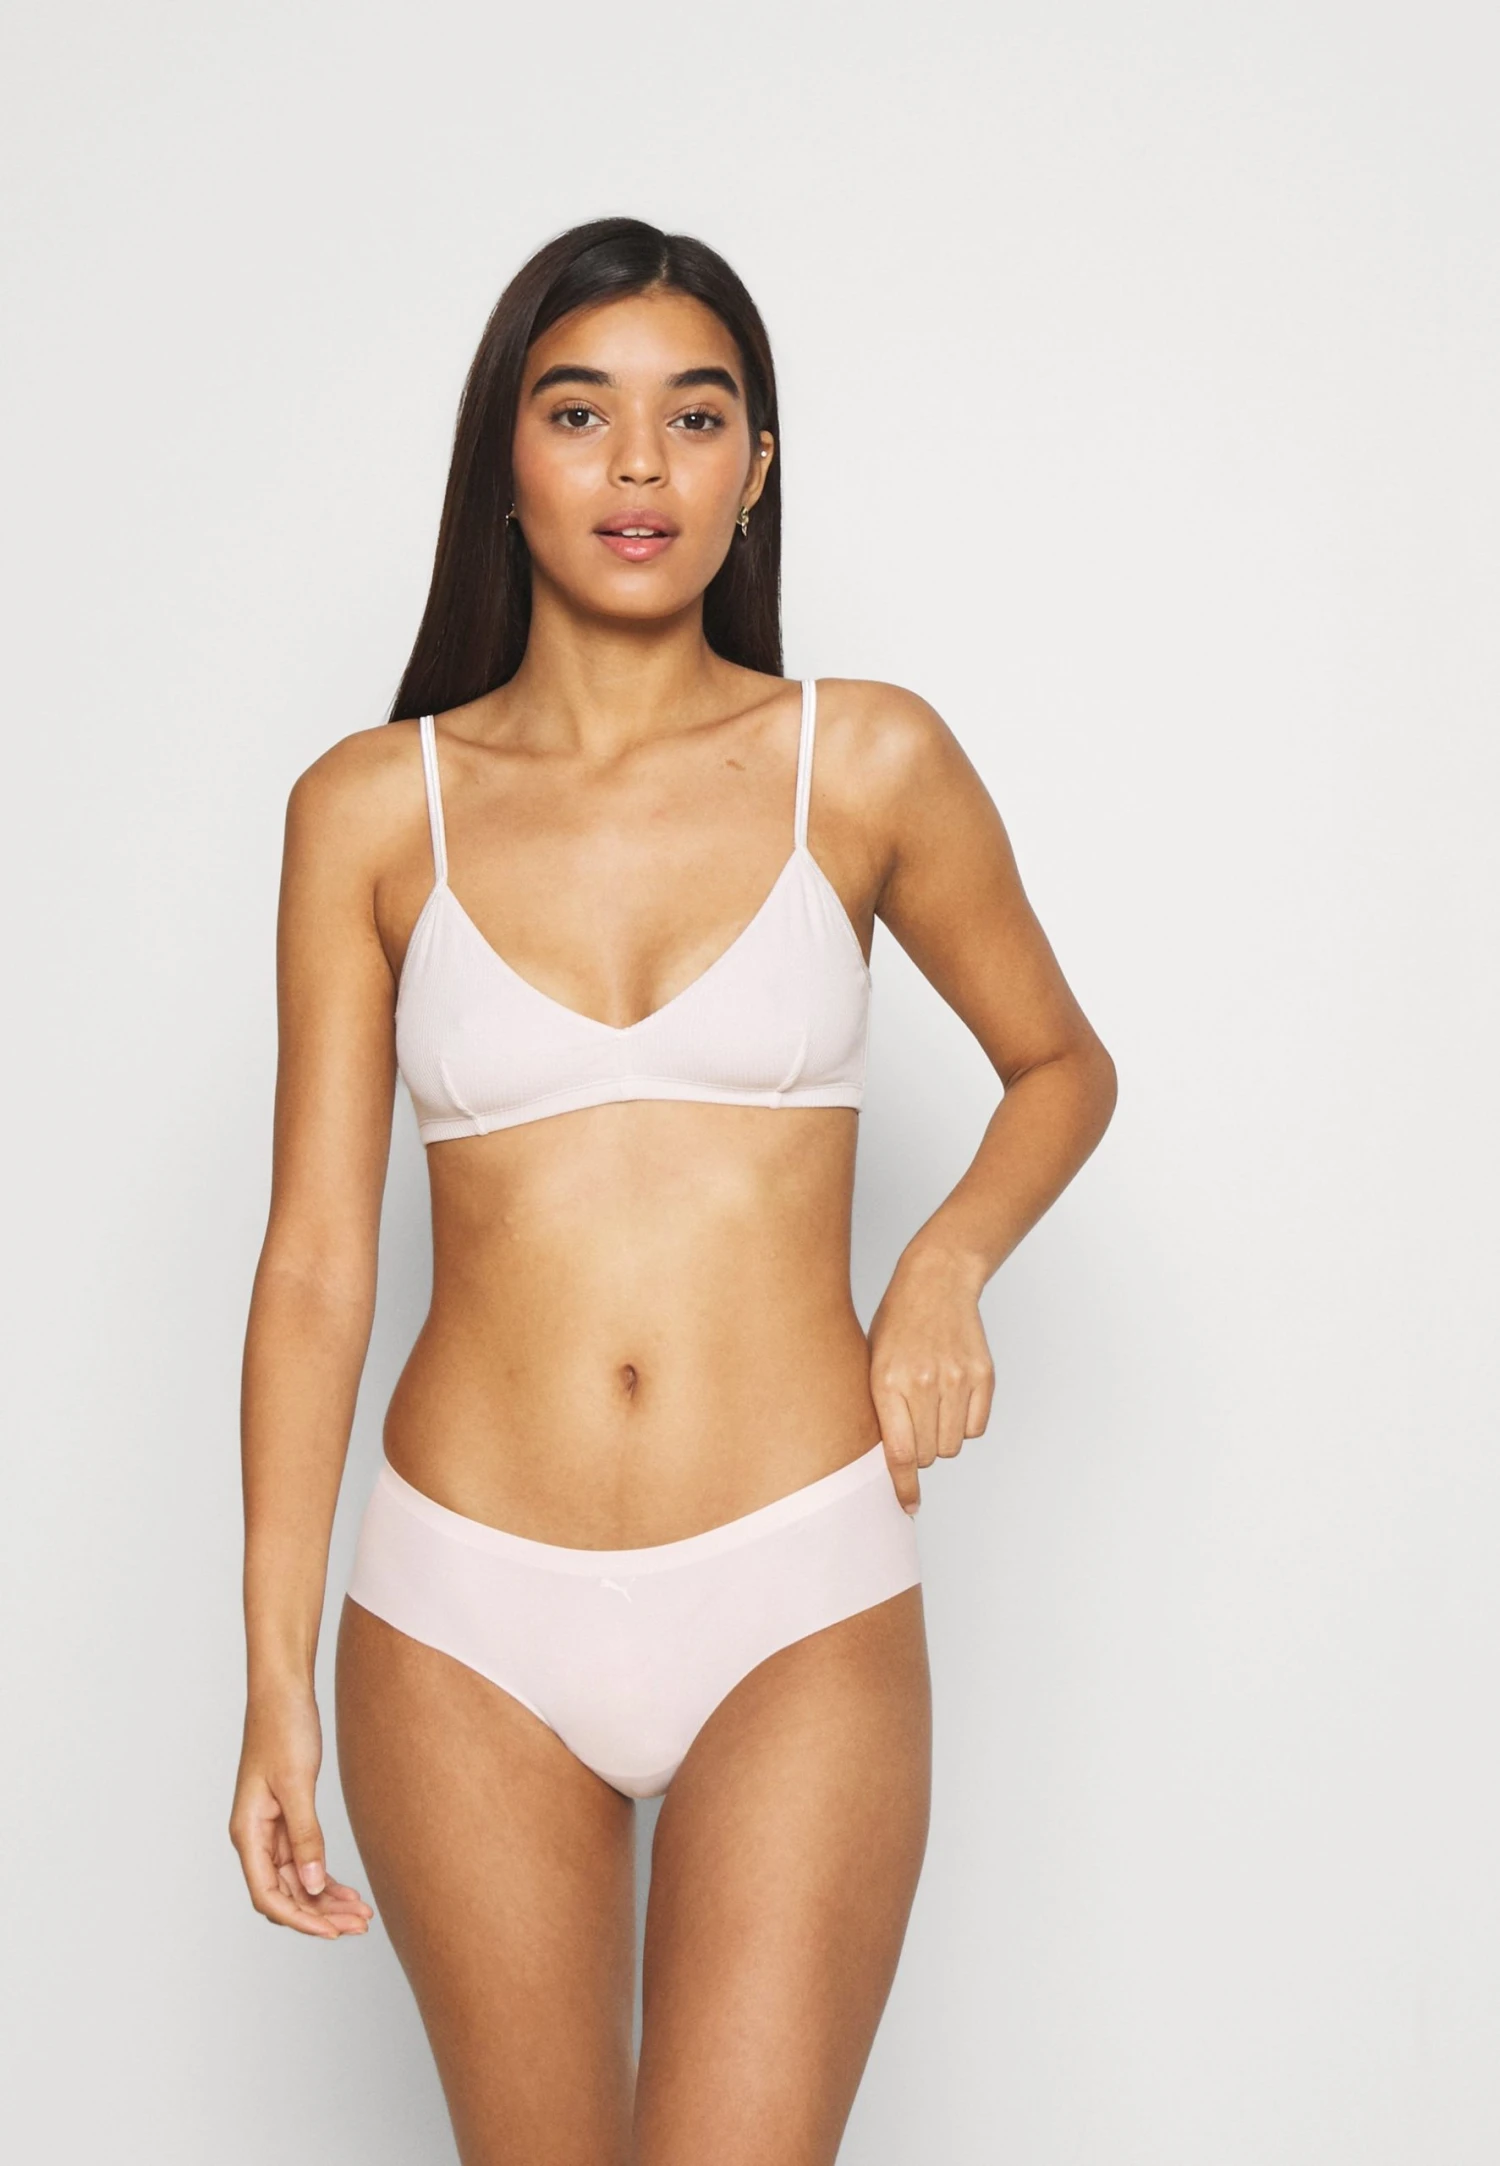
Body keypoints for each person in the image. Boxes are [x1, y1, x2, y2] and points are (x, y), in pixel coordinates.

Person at [229, 216, 1117, 2166]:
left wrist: (947, 1263)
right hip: (460, 1613)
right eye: (581, 413)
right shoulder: (370, 807)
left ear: (756, 468)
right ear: (505, 458)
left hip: (795, 1582)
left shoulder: (863, 761)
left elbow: (1064, 1066)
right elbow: (314, 1266)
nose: (640, 464)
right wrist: (273, 1676)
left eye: (695, 417)